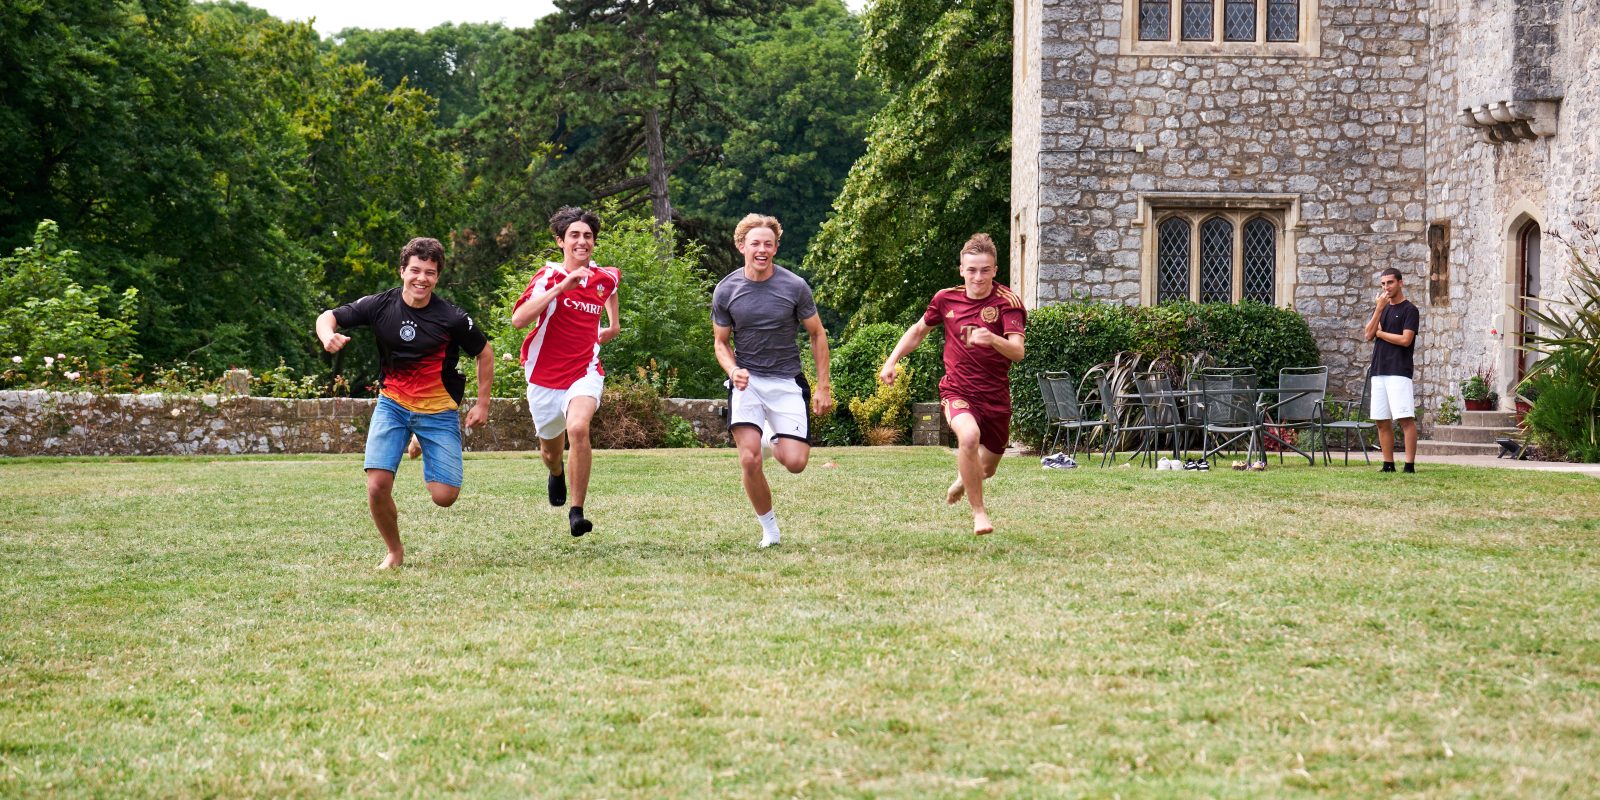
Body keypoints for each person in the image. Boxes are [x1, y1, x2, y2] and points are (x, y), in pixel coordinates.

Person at [315, 237, 493, 569]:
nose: (421, 278)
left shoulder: (451, 318)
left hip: (438, 411)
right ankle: (394, 551)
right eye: (415, 270)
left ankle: (420, 440)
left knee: (445, 497)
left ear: (437, 276)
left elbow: (484, 352)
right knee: (377, 485)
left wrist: (482, 404)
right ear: (402, 271)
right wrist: (328, 336)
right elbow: (328, 316)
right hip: (393, 404)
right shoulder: (380, 305)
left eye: (429, 272)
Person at [879, 233, 1025, 535]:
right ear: (961, 269)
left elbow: (1018, 352)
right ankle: (979, 514)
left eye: (985, 270)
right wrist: (891, 361)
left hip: (996, 396)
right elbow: (919, 331)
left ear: (995, 270)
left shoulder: (1008, 302)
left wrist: (993, 339)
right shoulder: (945, 299)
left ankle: (963, 478)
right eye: (971, 270)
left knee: (988, 467)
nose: (978, 277)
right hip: (957, 390)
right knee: (968, 437)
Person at [712, 214, 833, 548]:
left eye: (768, 244)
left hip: (786, 382)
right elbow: (720, 343)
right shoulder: (727, 289)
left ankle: (770, 437)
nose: (762, 249)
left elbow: (817, 334)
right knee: (748, 459)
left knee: (795, 463)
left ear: (776, 247)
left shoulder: (794, 287)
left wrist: (823, 386)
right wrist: (732, 370)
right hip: (746, 382)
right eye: (755, 244)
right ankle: (770, 530)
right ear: (742, 246)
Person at [511, 207, 621, 537]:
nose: (582, 241)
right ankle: (556, 471)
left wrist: (612, 327)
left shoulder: (605, 276)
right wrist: (563, 287)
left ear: (594, 242)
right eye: (574, 235)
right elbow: (519, 320)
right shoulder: (549, 277)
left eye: (587, 236)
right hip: (544, 378)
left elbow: (611, 290)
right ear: (561, 241)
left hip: (584, 371)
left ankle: (577, 511)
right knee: (549, 451)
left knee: (578, 427)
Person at [1362, 266, 1420, 473]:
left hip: (1399, 370)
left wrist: (1381, 334)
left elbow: (1406, 340)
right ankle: (1388, 464)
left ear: (1400, 283)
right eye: (1383, 284)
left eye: (1390, 282)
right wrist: (1378, 309)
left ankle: (1409, 465)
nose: (1386, 287)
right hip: (1379, 370)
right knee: (1381, 420)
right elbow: (1368, 334)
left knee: (1405, 418)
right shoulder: (1382, 309)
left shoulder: (1410, 310)